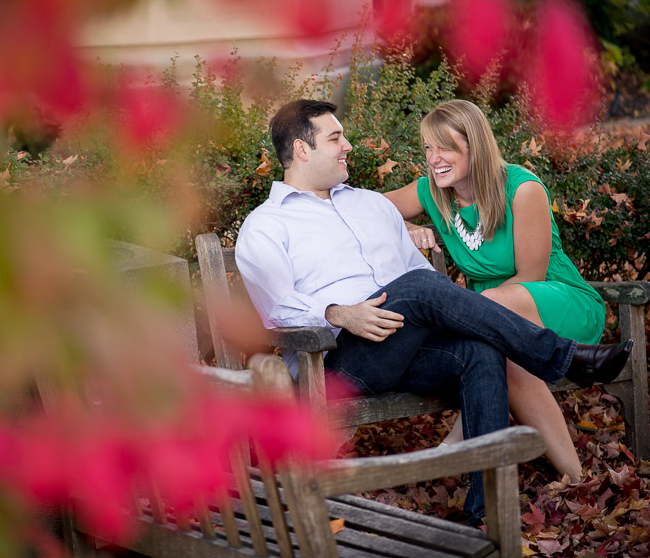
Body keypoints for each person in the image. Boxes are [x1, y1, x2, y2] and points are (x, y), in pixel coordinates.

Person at [234, 99, 632, 521]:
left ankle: (484, 511)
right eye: (335, 138)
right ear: (301, 149)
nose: (347, 145)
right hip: (336, 359)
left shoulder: (370, 206)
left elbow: (421, 278)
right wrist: (339, 313)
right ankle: (565, 357)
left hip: (403, 342)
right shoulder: (265, 226)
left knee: (480, 352)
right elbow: (277, 310)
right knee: (423, 288)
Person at [384, 99, 605, 482]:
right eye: (427, 148)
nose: (434, 158)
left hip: (552, 303)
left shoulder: (522, 189)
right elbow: (367, 211)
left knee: (493, 310)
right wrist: (403, 228)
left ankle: (455, 444)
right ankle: (577, 479)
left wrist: (470, 314)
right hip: (493, 326)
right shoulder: (432, 193)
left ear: (476, 146)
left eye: (445, 147)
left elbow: (532, 275)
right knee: (502, 352)